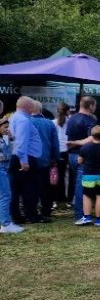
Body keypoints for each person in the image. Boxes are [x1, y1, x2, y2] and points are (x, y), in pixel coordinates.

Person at [8, 96, 43, 225]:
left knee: (15, 189)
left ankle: (16, 215)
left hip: (15, 156)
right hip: (25, 157)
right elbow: (21, 142)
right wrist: (24, 161)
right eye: (32, 105)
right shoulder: (23, 120)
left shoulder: (13, 117)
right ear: (29, 107)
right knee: (30, 188)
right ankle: (31, 215)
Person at [65, 96, 98, 221]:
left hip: (71, 155)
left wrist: (74, 143)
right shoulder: (89, 120)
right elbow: (93, 138)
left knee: (77, 184)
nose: (95, 108)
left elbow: (69, 137)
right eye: (94, 105)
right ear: (90, 106)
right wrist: (78, 143)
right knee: (82, 186)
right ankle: (81, 214)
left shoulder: (71, 119)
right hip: (82, 156)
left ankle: (84, 212)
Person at [76, 125, 100, 227]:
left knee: (87, 196)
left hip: (88, 176)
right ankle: (99, 220)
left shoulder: (85, 147)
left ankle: (87, 217)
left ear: (92, 135)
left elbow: (79, 161)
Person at [30, 100, 59, 222]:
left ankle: (31, 211)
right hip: (45, 160)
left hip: (28, 160)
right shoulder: (49, 124)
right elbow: (55, 144)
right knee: (46, 188)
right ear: (41, 110)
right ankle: (46, 211)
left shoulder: (26, 122)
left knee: (30, 187)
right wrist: (55, 158)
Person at [0, 116, 24, 234]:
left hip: (4, 169)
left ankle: (5, 221)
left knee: (4, 196)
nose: (7, 129)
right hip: (1, 169)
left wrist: (9, 138)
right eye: (5, 127)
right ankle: (5, 224)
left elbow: (8, 150)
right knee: (5, 196)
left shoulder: (3, 138)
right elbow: (6, 156)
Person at [53, 102, 70, 208]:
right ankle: (65, 197)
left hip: (56, 151)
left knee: (54, 175)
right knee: (65, 176)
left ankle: (55, 198)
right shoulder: (70, 122)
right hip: (66, 150)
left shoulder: (52, 122)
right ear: (67, 111)